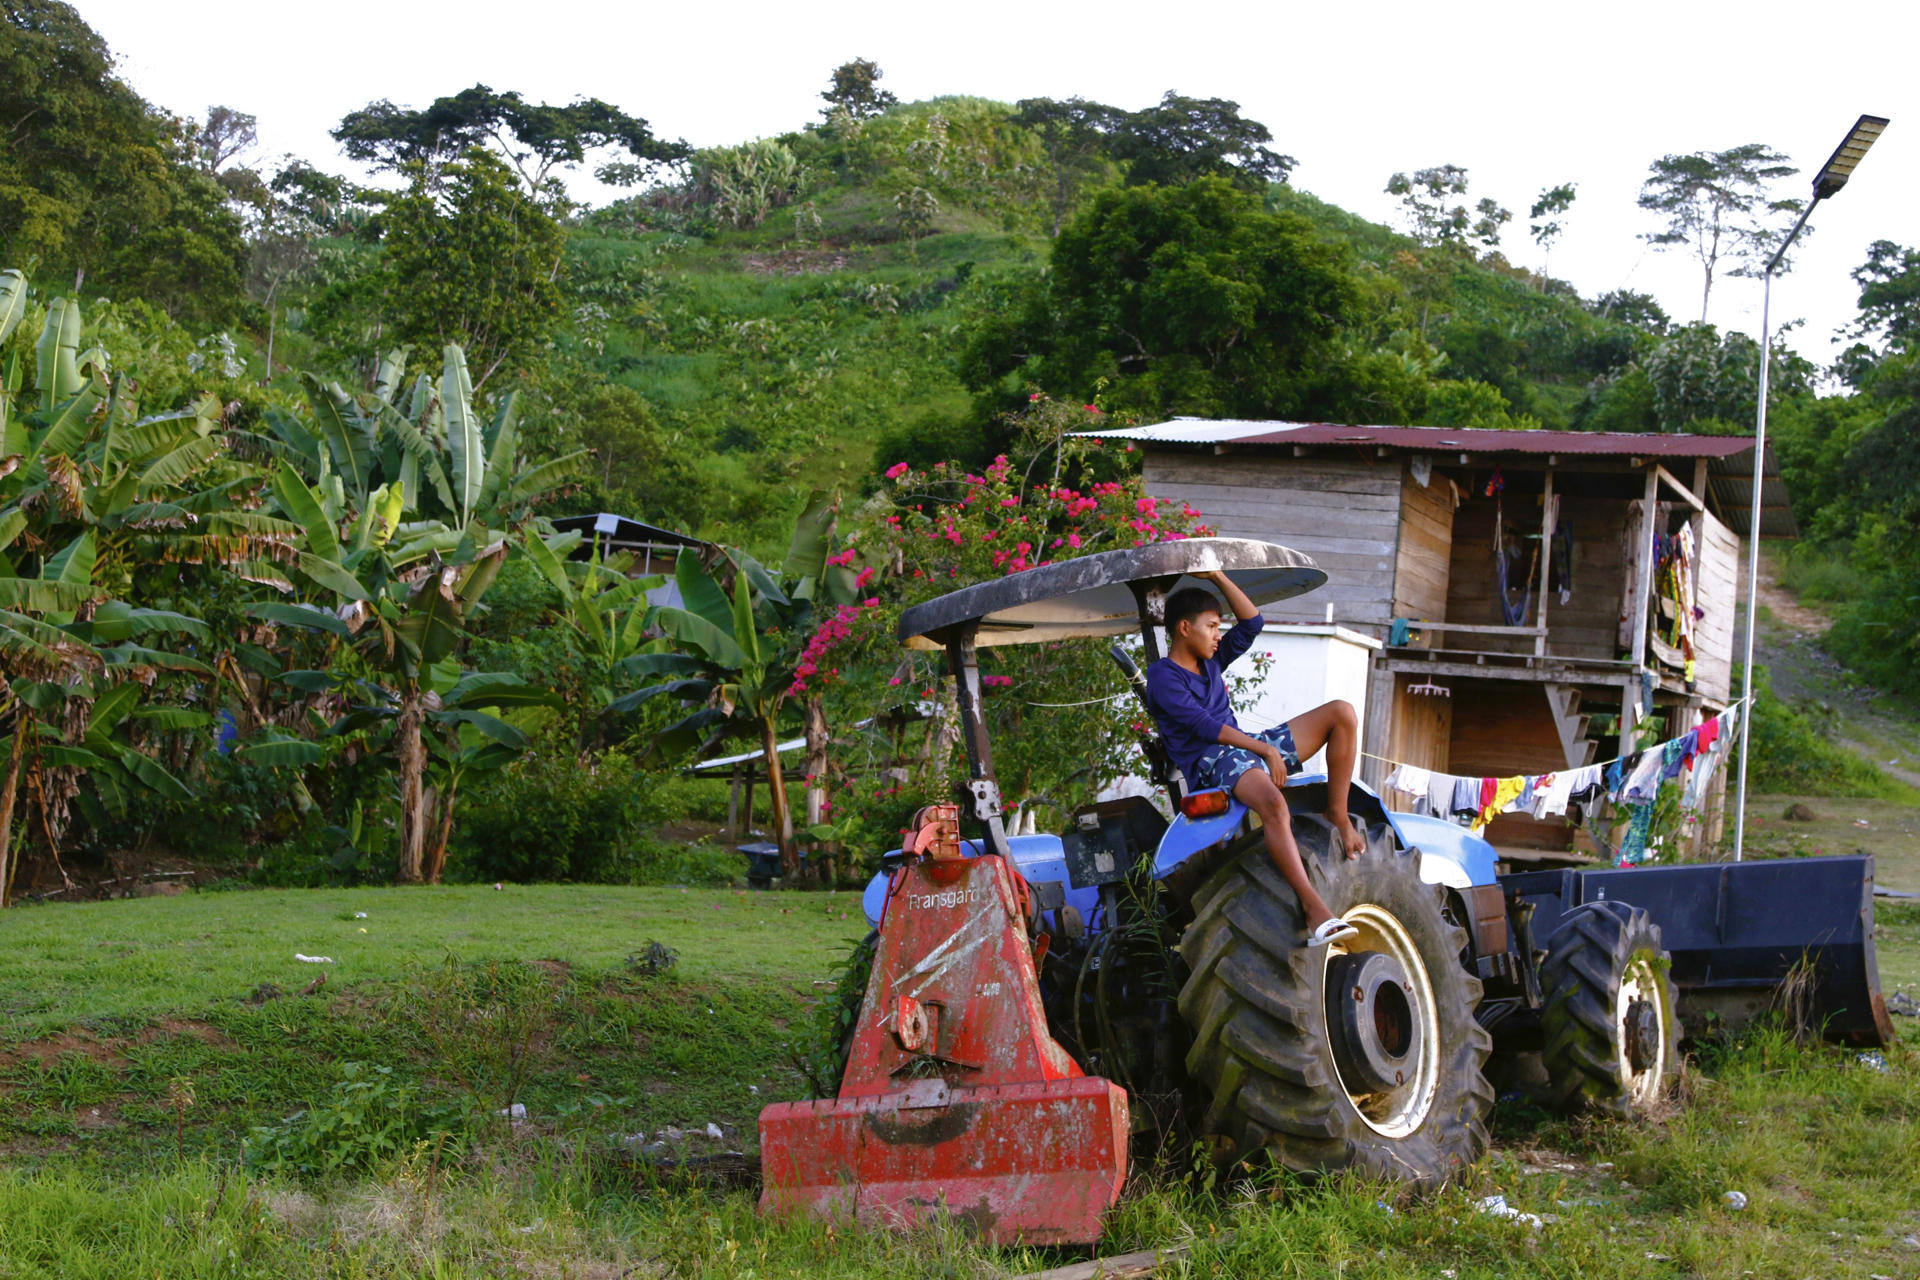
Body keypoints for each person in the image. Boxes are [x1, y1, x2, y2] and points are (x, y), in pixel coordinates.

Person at [1143, 570, 1364, 947]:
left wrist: (1216, 576)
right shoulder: (1163, 676)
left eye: (1219, 626)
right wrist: (1263, 749)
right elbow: (1205, 727)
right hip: (1212, 762)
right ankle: (1315, 909)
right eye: (1211, 626)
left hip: (1244, 750)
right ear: (1183, 628)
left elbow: (1253, 621)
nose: (1218, 635)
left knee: (1341, 713)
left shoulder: (1211, 661)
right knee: (1274, 804)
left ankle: (1338, 815)